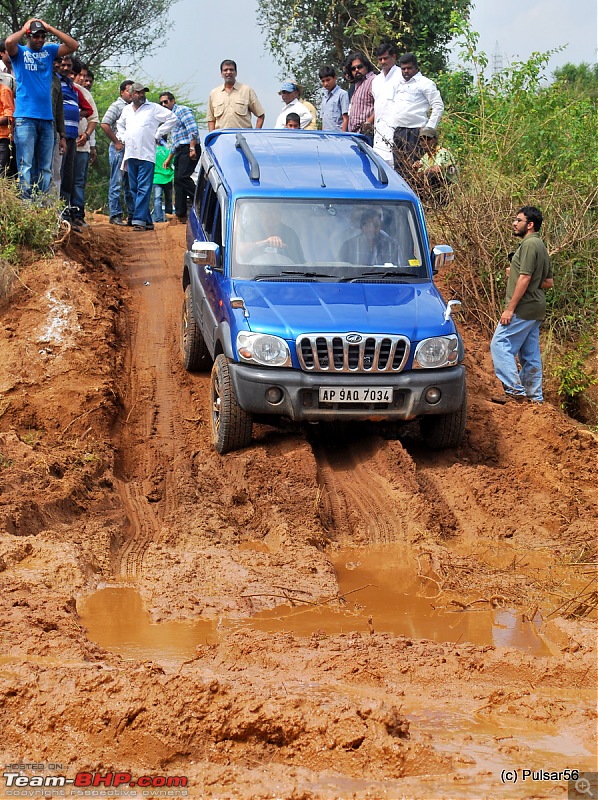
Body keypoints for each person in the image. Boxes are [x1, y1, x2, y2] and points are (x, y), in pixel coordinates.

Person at [6, 18, 79, 199]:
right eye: (36, 36)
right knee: (26, 164)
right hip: (25, 117)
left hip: (47, 119)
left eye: (42, 36)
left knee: (45, 167)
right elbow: (9, 42)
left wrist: (50, 28)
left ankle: (41, 204)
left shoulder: (49, 51)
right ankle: (26, 204)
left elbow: (73, 45)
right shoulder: (20, 53)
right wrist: (24, 29)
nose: (40, 40)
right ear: (29, 36)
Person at [490, 206, 554, 404]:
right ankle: (534, 398)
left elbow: (525, 278)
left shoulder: (528, 245)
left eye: (518, 220)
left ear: (530, 224)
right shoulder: (540, 246)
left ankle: (514, 390)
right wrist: (516, 274)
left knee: (499, 344)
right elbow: (547, 282)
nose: (514, 223)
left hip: (523, 308)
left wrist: (510, 309)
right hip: (536, 308)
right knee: (530, 353)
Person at [116, 83, 177, 231]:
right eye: (138, 93)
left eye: (143, 92)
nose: (141, 95)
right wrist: (122, 137)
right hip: (131, 153)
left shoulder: (153, 108)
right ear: (131, 95)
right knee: (134, 188)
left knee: (143, 187)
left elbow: (172, 118)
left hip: (147, 154)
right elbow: (119, 124)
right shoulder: (127, 110)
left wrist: (158, 133)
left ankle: (138, 220)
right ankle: (147, 220)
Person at [392, 53, 444, 177]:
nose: (406, 71)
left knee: (416, 170)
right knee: (400, 170)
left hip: (416, 133)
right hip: (399, 131)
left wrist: (428, 130)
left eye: (409, 68)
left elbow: (438, 105)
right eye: (403, 68)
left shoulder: (425, 83)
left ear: (416, 67)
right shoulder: (398, 83)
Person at [159, 91, 199, 224]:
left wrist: (192, 148)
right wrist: (169, 158)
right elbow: (175, 142)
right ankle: (181, 214)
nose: (163, 104)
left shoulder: (182, 110)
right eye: (161, 103)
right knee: (177, 181)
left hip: (189, 148)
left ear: (172, 101)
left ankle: (201, 200)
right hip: (180, 151)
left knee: (183, 177)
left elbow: (192, 129)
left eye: (166, 101)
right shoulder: (169, 117)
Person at [100, 79, 134, 225]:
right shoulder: (117, 106)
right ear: (122, 92)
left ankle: (132, 215)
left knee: (130, 183)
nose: (132, 94)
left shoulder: (133, 107)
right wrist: (116, 142)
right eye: (129, 91)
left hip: (130, 149)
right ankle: (115, 215)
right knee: (117, 181)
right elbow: (104, 124)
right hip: (118, 149)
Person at [72, 56, 98, 227]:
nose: (82, 79)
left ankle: (78, 214)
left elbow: (94, 118)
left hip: (82, 145)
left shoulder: (85, 94)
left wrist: (87, 136)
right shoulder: (62, 88)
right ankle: (65, 213)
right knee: (63, 179)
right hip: (64, 143)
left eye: (84, 76)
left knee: (79, 180)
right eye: (79, 75)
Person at [207, 60, 265, 131]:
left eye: (231, 70)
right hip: (221, 138)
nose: (228, 72)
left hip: (243, 138)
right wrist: (212, 138)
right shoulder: (214, 93)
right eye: (225, 70)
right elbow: (211, 120)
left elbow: (261, 115)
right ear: (221, 74)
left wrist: (255, 134)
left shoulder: (246, 90)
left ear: (236, 73)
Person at [371, 42, 403, 166]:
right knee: (380, 167)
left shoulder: (401, 76)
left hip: (396, 130)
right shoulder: (376, 80)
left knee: (396, 168)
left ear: (393, 57)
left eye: (386, 58)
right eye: (380, 59)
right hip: (379, 131)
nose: (383, 62)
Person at [339, 207, 403, 266]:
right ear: (362, 227)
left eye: (376, 225)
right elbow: (339, 272)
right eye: (368, 225)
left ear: (380, 225)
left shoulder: (392, 246)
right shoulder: (348, 247)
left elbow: (401, 273)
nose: (372, 229)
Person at [412, 127, 457, 206]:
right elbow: (417, 177)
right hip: (435, 190)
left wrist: (424, 173)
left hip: (447, 189)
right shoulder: (426, 157)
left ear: (435, 140)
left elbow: (436, 169)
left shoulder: (443, 152)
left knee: (430, 175)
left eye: (428, 139)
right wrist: (415, 170)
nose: (425, 142)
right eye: (422, 140)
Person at [345, 52, 376, 136]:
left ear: (366, 66)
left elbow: (382, 105)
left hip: (367, 133)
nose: (356, 70)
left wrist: (368, 123)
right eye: (353, 69)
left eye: (359, 67)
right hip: (355, 134)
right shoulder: (356, 85)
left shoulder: (374, 81)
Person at [318, 66, 349, 132]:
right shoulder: (325, 97)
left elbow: (345, 118)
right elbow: (324, 121)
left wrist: (343, 137)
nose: (326, 83)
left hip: (338, 136)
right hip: (326, 136)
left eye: (328, 80)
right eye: (323, 81)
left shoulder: (342, 94)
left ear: (335, 78)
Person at [151, 138, 174, 222]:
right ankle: (169, 219)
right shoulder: (169, 150)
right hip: (168, 177)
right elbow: (173, 162)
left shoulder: (152, 151)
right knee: (168, 199)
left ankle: (158, 219)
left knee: (157, 199)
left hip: (156, 178)